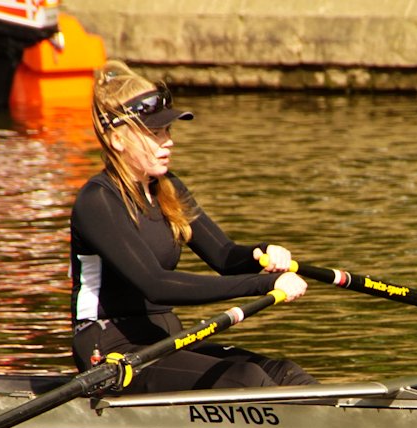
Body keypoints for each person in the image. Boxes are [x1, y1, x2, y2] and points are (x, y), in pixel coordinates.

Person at [70, 60, 316, 393]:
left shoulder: (167, 187)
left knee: (281, 371)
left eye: (168, 131)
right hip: (112, 349)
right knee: (243, 380)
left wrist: (263, 254)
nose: (168, 141)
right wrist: (263, 286)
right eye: (155, 133)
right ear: (117, 140)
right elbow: (157, 285)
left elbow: (225, 256)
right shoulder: (97, 201)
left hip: (165, 337)